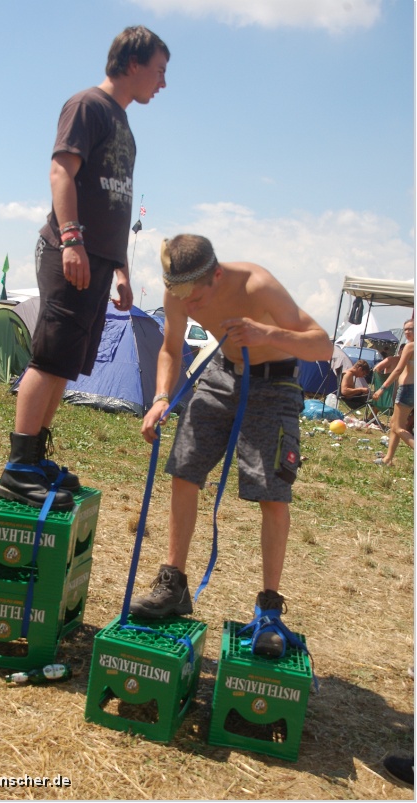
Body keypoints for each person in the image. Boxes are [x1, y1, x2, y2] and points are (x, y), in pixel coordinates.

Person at [129, 234, 333, 657]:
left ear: (217, 274)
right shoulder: (178, 292)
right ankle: (172, 584)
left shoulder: (258, 285)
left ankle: (269, 610)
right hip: (221, 374)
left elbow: (322, 344)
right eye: (180, 296)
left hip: (275, 383)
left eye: (196, 298)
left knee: (272, 494)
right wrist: (161, 397)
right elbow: (170, 349)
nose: (189, 304)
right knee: (184, 468)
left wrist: (267, 333)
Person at [0, 26, 170, 510]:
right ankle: (17, 468)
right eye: (159, 70)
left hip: (100, 261)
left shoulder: (123, 123)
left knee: (65, 364)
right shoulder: (87, 105)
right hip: (69, 252)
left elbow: (115, 203)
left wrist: (122, 271)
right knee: (49, 358)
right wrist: (72, 239)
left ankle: (34, 456)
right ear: (132, 63)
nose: (163, 82)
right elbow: (61, 172)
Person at [372, 319, 414, 466]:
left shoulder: (410, 346)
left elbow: (398, 370)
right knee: (394, 423)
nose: (407, 332)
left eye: (411, 329)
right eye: (405, 329)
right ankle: (388, 459)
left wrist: (382, 388)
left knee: (397, 427)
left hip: (407, 388)